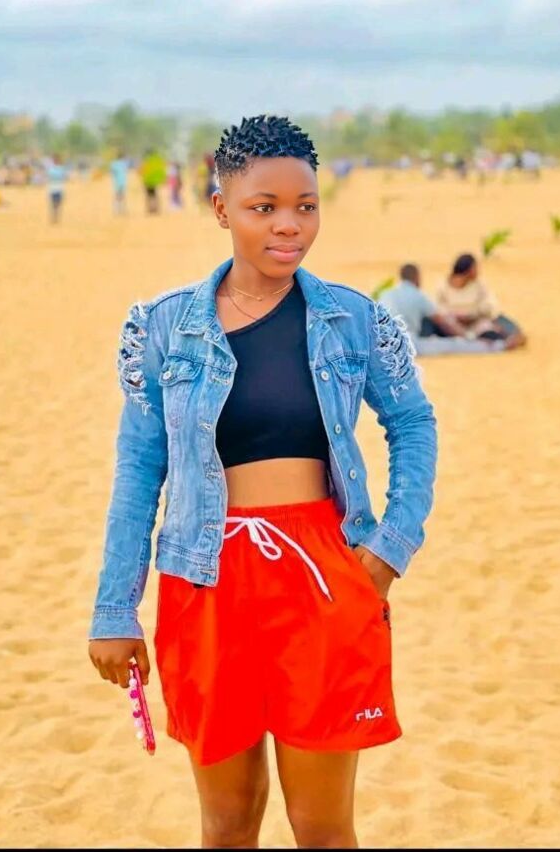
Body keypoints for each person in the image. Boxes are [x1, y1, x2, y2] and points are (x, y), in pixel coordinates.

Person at [88, 115, 438, 849]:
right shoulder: (163, 328)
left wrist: (390, 546)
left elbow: (412, 422)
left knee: (322, 826)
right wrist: (115, 609)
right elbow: (139, 470)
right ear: (222, 209)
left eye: (305, 206)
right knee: (227, 824)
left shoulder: (353, 318)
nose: (289, 225)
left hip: (323, 574)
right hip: (204, 577)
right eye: (264, 207)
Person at [380, 263, 524, 355]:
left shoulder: (385, 294)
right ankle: (502, 346)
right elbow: (444, 323)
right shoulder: (418, 296)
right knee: (453, 345)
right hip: (407, 344)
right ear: (417, 278)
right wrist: (468, 337)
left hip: (381, 345)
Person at [435, 254, 527, 345]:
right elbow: (437, 308)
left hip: (477, 321)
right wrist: (456, 316)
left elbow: (489, 305)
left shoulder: (479, 285)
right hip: (453, 324)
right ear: (468, 270)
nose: (478, 271)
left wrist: (473, 314)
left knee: (495, 323)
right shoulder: (443, 286)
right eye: (475, 268)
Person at [140, 149, 167, 215]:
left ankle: (150, 209)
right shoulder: (158, 160)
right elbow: (162, 170)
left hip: (148, 180)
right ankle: (156, 208)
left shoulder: (147, 160)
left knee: (149, 195)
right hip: (155, 180)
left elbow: (142, 170)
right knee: (155, 195)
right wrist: (162, 179)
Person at [46, 154, 67, 224]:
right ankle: (55, 217)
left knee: (56, 204)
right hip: (55, 188)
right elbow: (63, 177)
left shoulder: (55, 169)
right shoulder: (56, 169)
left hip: (57, 188)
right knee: (55, 204)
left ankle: (55, 217)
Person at [110, 150, 129, 215]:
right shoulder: (124, 164)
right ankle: (122, 210)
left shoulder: (114, 164)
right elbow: (125, 171)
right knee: (122, 196)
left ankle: (116, 210)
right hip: (123, 182)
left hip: (116, 182)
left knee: (117, 196)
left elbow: (112, 172)